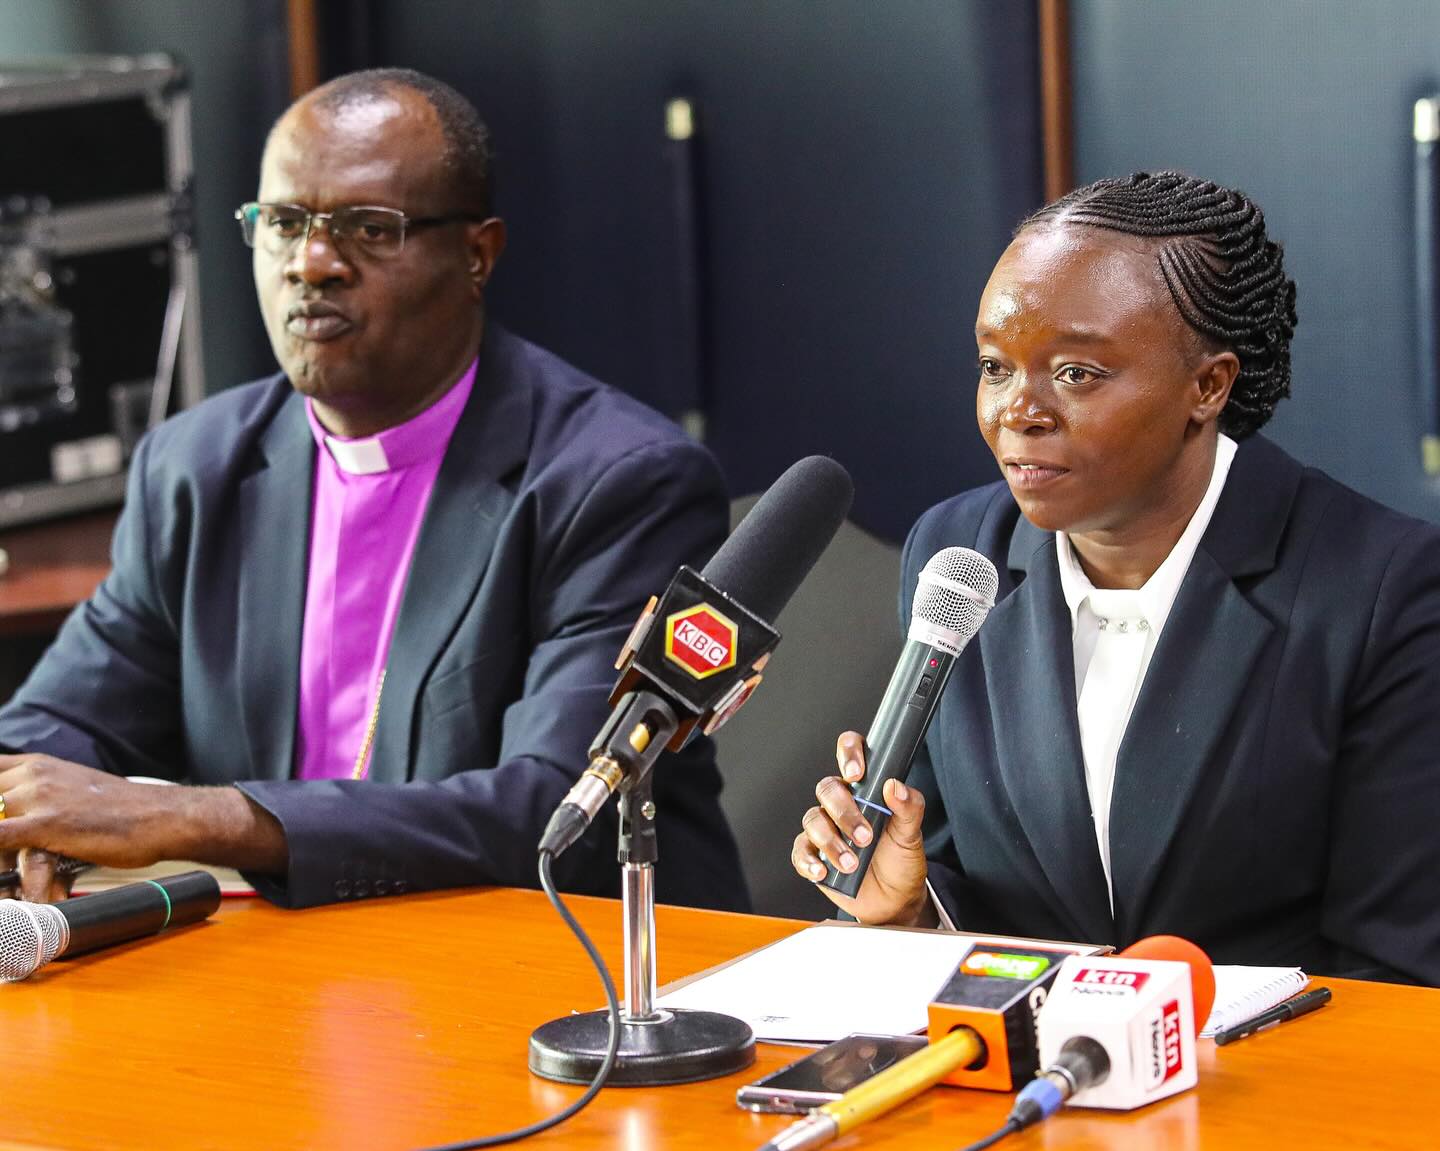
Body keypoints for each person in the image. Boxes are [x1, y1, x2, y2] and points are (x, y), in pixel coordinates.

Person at [0, 68, 749, 913]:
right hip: (284, 973)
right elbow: (58, 727)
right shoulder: (196, 466)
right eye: (282, 223)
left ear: (477, 255)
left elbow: (550, 812)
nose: (311, 263)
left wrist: (206, 818)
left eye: (367, 228)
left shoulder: (619, 481)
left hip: (562, 980)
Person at [792, 171, 1440, 984]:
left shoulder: (1381, 587)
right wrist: (912, 910)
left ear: (1208, 386)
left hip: (1267, 1087)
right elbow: (964, 871)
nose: (1018, 410)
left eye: (1076, 374)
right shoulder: (958, 553)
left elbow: (1397, 970)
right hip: (1024, 1077)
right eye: (995, 366)